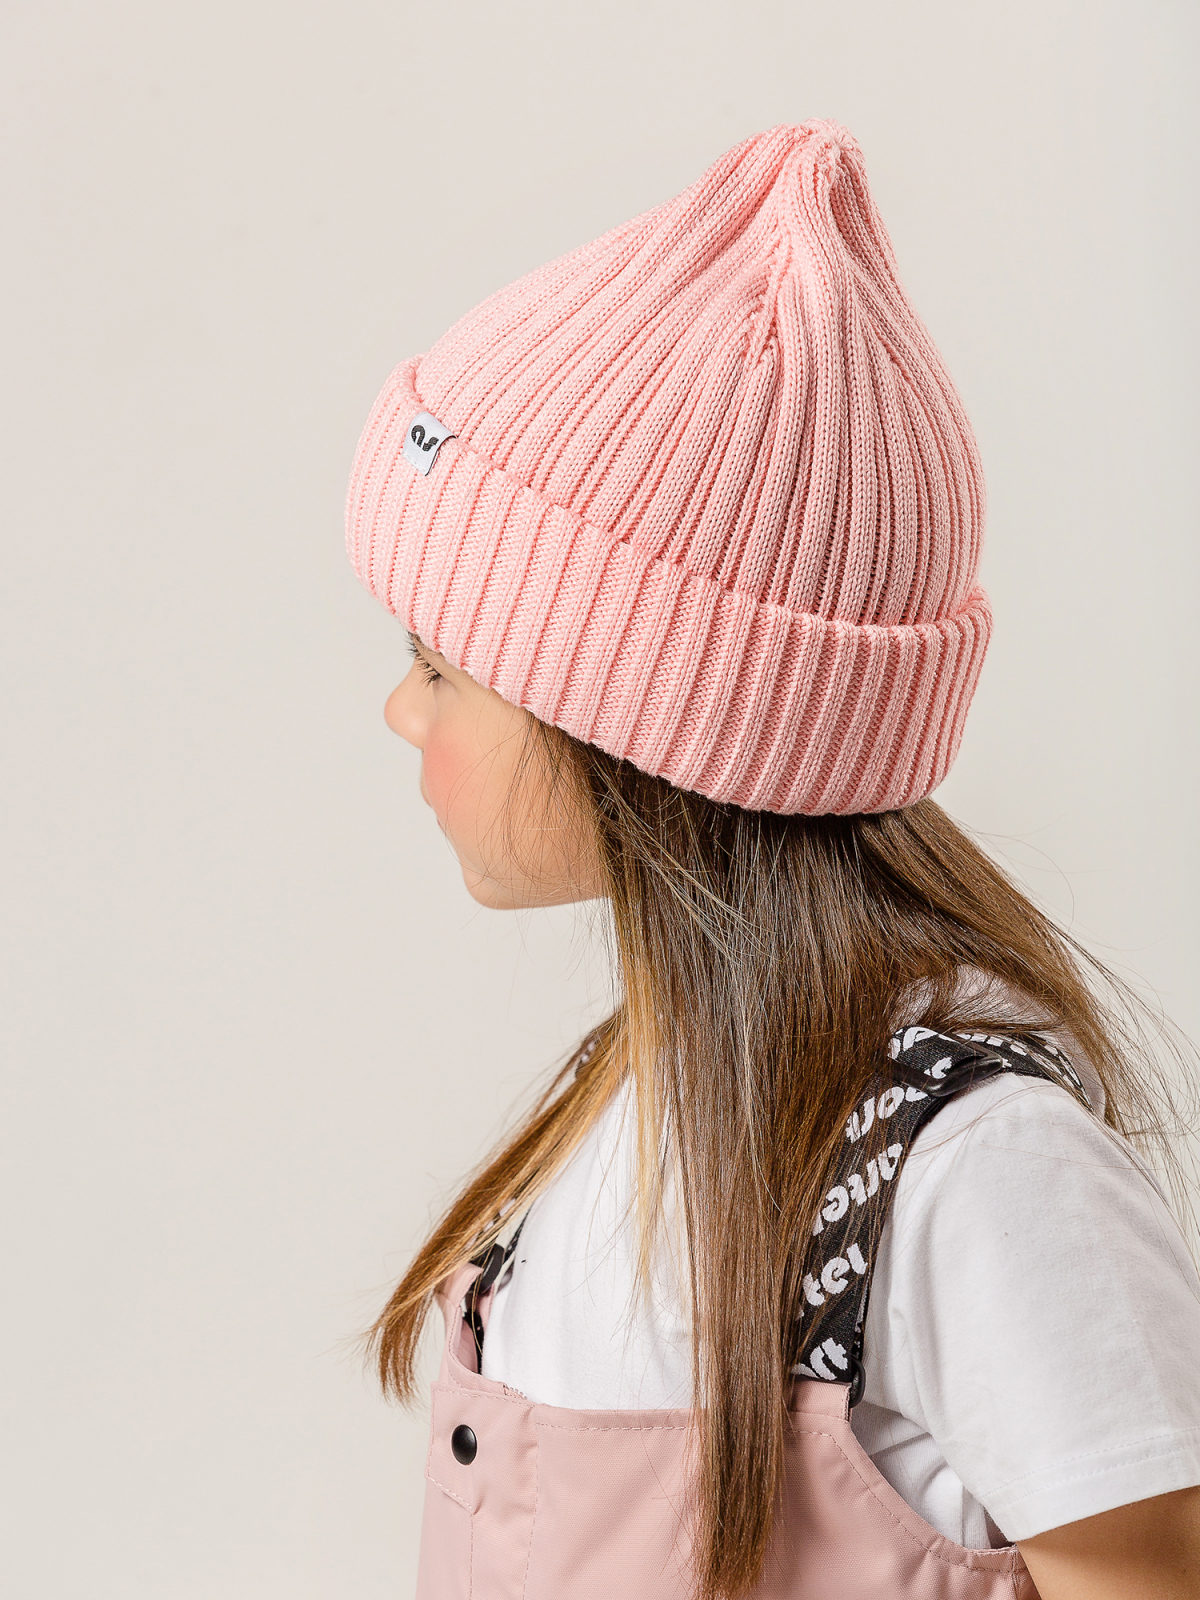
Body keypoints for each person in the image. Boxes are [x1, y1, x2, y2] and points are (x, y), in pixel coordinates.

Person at [344, 122, 1200, 1598]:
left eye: (442, 667)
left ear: (639, 726)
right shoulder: (629, 1102)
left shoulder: (970, 1175)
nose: (401, 711)